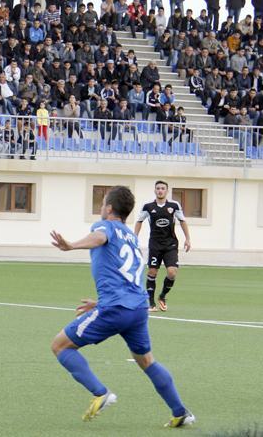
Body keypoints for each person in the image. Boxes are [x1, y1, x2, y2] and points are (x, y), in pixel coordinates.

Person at [49, 186, 195, 428]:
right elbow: (128, 276)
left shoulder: (104, 226)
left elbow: (100, 237)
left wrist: (71, 245)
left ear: (109, 208)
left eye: (102, 204)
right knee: (147, 361)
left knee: (60, 346)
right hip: (137, 309)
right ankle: (180, 412)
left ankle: (100, 393)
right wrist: (101, 301)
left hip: (115, 309)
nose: (101, 208)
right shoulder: (131, 237)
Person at [134, 180, 192, 312]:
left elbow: (182, 221)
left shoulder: (174, 205)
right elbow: (139, 221)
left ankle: (162, 296)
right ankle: (151, 303)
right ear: (155, 190)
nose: (160, 190)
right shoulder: (148, 207)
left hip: (170, 244)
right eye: (158, 188)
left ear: (167, 191)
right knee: (152, 272)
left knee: (172, 272)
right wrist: (134, 238)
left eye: (163, 188)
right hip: (155, 245)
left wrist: (188, 239)